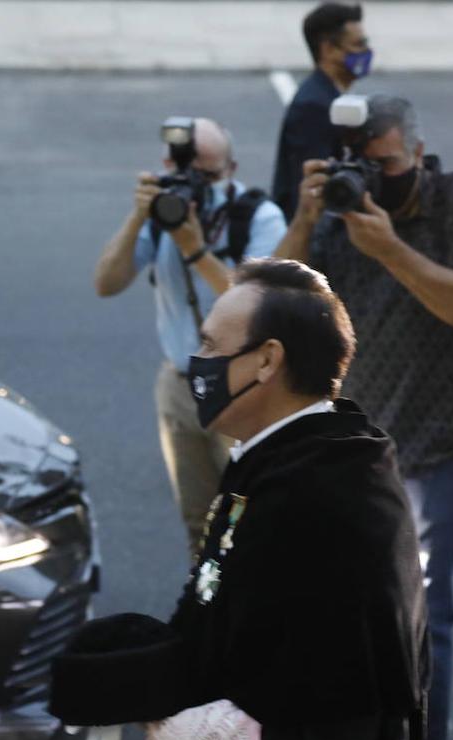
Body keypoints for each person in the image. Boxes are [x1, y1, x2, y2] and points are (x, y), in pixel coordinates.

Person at [135, 258, 429, 740]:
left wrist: (163, 716)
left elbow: (332, 714)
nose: (198, 362)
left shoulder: (332, 495)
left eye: (212, 345)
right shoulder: (280, 463)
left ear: (267, 361)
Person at [274, 93, 453, 740]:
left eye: (385, 164)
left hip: (437, 445)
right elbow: (268, 300)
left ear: (417, 149)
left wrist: (391, 251)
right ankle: (364, 738)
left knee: (421, 619)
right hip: (352, 447)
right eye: (357, 166)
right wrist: (310, 217)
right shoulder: (341, 212)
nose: (373, 179)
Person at [93, 117, 285, 551]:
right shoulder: (160, 215)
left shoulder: (259, 217)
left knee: (252, 522)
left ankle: (255, 615)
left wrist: (195, 249)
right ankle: (208, 610)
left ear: (232, 169)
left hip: (243, 390)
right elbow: (106, 283)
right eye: (186, 174)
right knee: (200, 524)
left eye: (208, 175)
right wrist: (138, 216)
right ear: (166, 166)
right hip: (180, 388)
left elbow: (261, 304)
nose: (195, 186)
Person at [271, 2, 373, 222]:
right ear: (328, 49)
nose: (366, 52)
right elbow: (309, 192)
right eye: (358, 44)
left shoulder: (328, 96)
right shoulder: (315, 107)